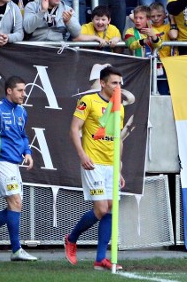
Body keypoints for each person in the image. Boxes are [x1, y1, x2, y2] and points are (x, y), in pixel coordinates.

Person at [65, 65, 125, 271]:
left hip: (111, 164)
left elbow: (119, 138)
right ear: (103, 83)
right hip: (94, 163)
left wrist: (119, 167)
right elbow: (74, 129)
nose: (118, 87)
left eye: (120, 83)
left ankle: (100, 259)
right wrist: (82, 155)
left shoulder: (119, 105)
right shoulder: (88, 101)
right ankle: (71, 238)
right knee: (101, 208)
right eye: (114, 83)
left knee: (110, 209)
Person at [0, 76, 38, 262]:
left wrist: (27, 152)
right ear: (9, 91)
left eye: (24, 90)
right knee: (15, 203)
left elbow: (22, 135)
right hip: (0, 161)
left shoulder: (22, 112)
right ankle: (16, 250)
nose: (24, 94)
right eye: (20, 90)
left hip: (14, 164)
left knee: (15, 206)